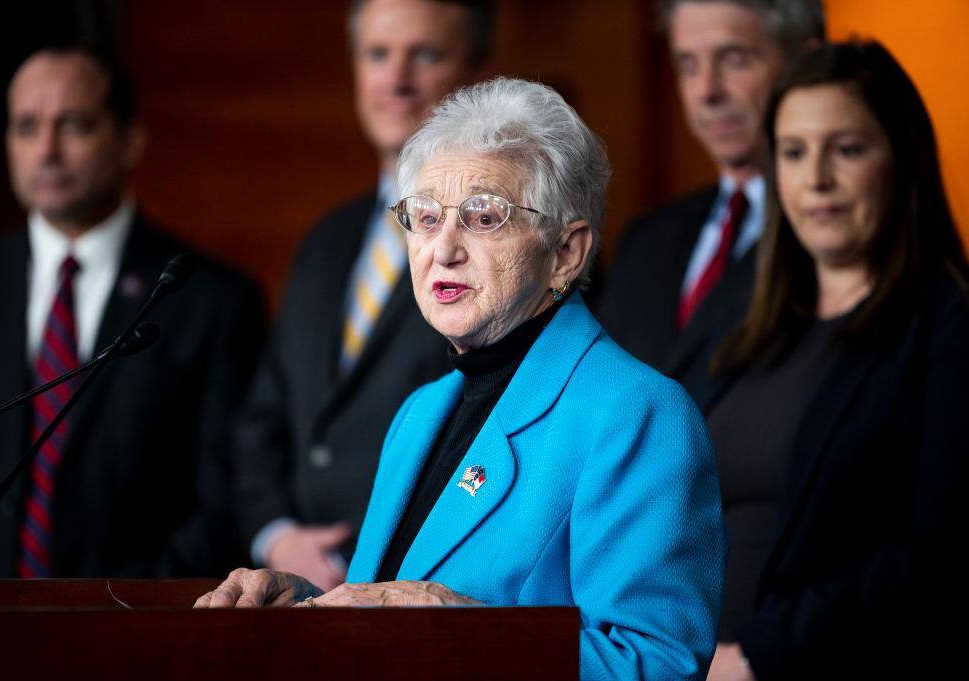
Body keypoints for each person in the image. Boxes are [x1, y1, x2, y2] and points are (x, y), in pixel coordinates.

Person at [199, 77, 728, 681]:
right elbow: (392, 613)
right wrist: (310, 608)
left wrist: (461, 630)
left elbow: (657, 665)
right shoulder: (419, 413)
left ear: (566, 253)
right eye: (424, 217)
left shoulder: (638, 414)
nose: (442, 249)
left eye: (483, 217)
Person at [691, 41, 969, 680]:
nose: (815, 178)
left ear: (900, 159)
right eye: (793, 152)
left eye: (845, 150)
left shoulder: (945, 325)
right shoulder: (743, 314)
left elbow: (938, 552)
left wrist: (760, 653)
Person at [0, 45, 264, 578]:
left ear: (129, 141)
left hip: (135, 633)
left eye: (73, 125)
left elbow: (224, 503)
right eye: (27, 127)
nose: (46, 150)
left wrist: (115, 615)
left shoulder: (210, 299)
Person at [233, 0, 491, 591]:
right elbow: (263, 419)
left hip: (425, 595)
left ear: (477, 73)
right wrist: (277, 535)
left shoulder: (508, 239)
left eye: (424, 55)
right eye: (378, 54)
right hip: (290, 595)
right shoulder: (326, 240)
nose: (395, 80)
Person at [595, 0, 823, 387]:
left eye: (734, 59)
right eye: (688, 65)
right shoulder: (643, 239)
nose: (706, 91)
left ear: (804, 64)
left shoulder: (833, 236)